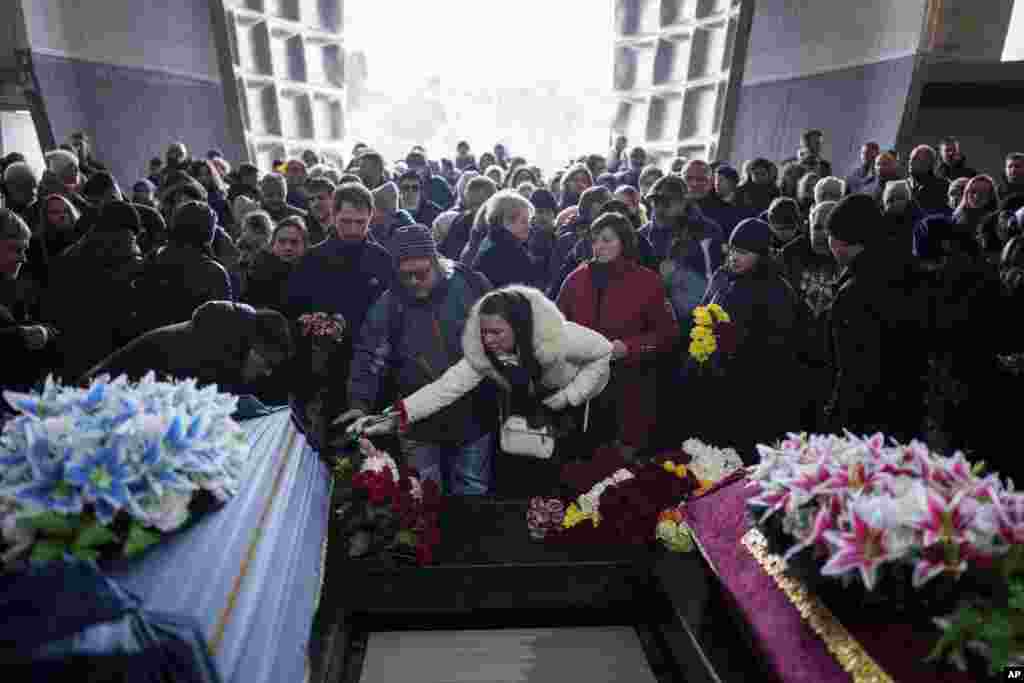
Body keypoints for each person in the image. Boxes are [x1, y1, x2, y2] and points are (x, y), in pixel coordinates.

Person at [349, 285, 613, 489]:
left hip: (584, 403)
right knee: (530, 477)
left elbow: (604, 351)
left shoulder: (559, 336)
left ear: (519, 327)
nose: (488, 339)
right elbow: (446, 387)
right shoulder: (484, 353)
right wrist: (397, 414)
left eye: (497, 332)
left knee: (572, 479)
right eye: (484, 331)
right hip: (537, 407)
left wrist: (570, 396)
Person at [337, 225, 497, 494]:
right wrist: (359, 403)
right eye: (406, 275)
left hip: (473, 413)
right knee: (422, 494)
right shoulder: (389, 304)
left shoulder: (469, 285)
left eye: (421, 273)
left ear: (435, 263)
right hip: (417, 421)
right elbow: (370, 356)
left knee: (471, 490)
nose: (413, 282)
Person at [556, 212, 679, 458]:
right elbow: (555, 328)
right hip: (583, 390)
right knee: (581, 463)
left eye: (607, 240)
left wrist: (630, 348)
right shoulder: (575, 280)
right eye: (595, 240)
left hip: (631, 387)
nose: (598, 246)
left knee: (623, 469)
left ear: (624, 242)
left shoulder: (647, 281)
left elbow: (668, 334)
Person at [824, 194, 928, 442]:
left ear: (839, 242)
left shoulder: (853, 292)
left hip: (866, 421)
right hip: (909, 405)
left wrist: (835, 421)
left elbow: (852, 369)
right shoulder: (909, 269)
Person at [700, 218, 802, 460]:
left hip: (755, 391)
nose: (734, 257)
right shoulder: (724, 279)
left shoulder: (776, 289)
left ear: (761, 255)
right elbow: (703, 316)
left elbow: (780, 344)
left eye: (743, 252)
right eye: (732, 250)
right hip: (720, 384)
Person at [82, 301, 293, 397]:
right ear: (253, 348)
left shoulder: (224, 341)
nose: (267, 372)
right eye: (268, 363)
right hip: (94, 400)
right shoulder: (208, 349)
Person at [42, 201, 145, 380]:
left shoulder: (70, 254)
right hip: (106, 358)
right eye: (134, 236)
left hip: (66, 355)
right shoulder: (125, 261)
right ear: (127, 232)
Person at [285, 182, 394, 340]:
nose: (353, 230)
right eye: (346, 222)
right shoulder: (311, 259)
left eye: (360, 222)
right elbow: (295, 310)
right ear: (334, 216)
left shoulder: (381, 259)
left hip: (372, 353)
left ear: (370, 217)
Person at [133, 201, 233, 333]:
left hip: (147, 345)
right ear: (209, 234)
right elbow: (225, 325)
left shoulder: (151, 259)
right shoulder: (214, 274)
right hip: (192, 348)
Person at [0, 209, 59, 401]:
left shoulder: (12, 287)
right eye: (15, 249)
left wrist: (43, 332)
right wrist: (20, 336)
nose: (23, 258)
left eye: (24, 250)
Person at [472, 190, 545, 289]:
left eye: (529, 221)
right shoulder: (508, 253)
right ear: (505, 221)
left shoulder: (489, 242)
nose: (529, 227)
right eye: (523, 221)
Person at [244, 216, 309, 313]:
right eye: (282, 242)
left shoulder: (314, 273)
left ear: (305, 246)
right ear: (272, 245)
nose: (288, 247)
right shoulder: (258, 275)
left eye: (294, 242)